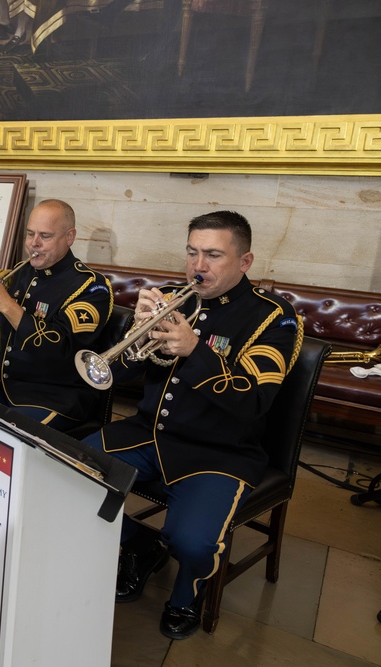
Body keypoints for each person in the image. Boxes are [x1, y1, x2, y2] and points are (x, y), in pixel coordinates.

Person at [81, 210, 302, 640]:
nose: (198, 266)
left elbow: (253, 402)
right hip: (149, 433)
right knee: (65, 474)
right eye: (192, 252)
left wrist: (196, 350)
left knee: (193, 542)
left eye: (214, 255)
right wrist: (136, 330)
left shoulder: (275, 318)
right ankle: (139, 546)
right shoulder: (169, 296)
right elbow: (119, 376)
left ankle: (186, 594)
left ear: (245, 261)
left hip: (220, 452)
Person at [0, 199, 112, 431]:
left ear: (69, 237)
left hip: (53, 396)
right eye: (30, 234)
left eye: (45, 236)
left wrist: (6, 304)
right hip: (3, 384)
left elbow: (60, 350)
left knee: (0, 434)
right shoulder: (21, 272)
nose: (33, 244)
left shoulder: (90, 287)